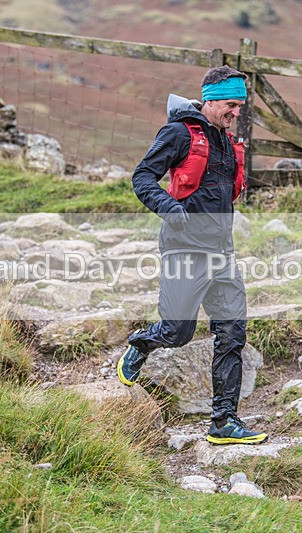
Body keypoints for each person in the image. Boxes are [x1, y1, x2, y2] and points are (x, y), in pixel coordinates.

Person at [117, 65, 268, 445]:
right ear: (212, 100)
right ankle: (142, 343)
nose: (237, 114)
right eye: (232, 106)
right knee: (177, 332)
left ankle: (223, 422)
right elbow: (142, 178)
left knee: (232, 332)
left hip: (221, 252)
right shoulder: (179, 133)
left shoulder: (226, 142)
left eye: (241, 107)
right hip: (184, 247)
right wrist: (171, 210)